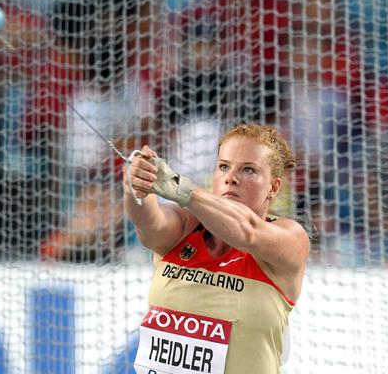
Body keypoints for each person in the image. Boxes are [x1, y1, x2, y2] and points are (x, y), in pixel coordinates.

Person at [123, 124, 310, 373]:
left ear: (274, 188)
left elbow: (247, 231)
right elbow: (148, 222)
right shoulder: (185, 227)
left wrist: (184, 190)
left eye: (248, 169)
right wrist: (136, 186)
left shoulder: (290, 237)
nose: (231, 177)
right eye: (224, 166)